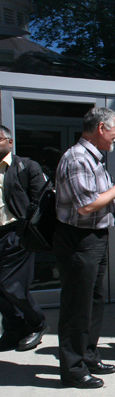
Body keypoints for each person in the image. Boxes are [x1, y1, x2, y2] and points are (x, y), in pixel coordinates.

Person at [54, 107, 115, 388]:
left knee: (93, 301)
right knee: (77, 305)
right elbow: (85, 206)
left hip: (94, 238)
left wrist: (112, 196)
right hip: (78, 240)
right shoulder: (77, 158)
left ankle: (87, 355)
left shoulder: (93, 158)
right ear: (101, 128)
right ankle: (73, 369)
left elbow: (95, 198)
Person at [0, 124, 49, 352]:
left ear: (10, 142)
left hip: (16, 233)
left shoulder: (25, 166)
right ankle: (13, 328)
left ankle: (37, 323)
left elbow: (41, 199)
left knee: (12, 285)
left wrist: (27, 227)